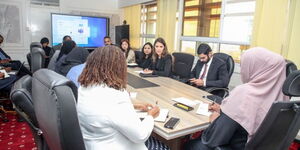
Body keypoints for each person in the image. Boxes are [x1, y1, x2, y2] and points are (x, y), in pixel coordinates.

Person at [184, 47, 289, 150]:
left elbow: (213, 139)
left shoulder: (243, 93)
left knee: (190, 145)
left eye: (244, 65)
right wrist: (225, 109)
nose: (243, 69)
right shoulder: (284, 97)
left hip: (235, 145)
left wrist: (213, 121)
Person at [77, 45, 165, 150]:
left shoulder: (83, 88)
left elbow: (104, 110)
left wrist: (133, 106)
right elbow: (140, 135)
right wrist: (151, 115)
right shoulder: (116, 95)